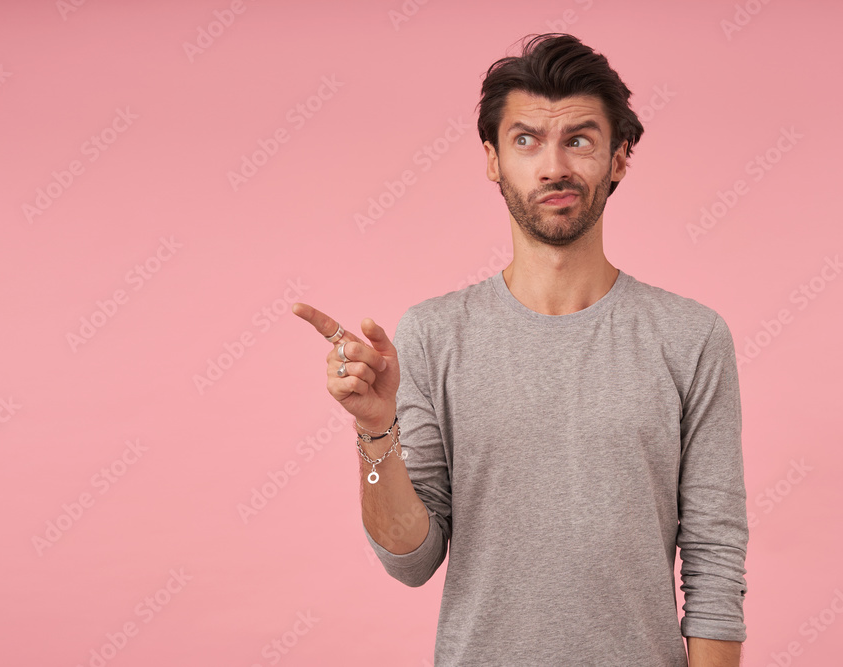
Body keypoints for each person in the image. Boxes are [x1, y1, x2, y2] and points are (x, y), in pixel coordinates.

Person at [292, 32, 748, 667]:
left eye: (579, 139)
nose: (554, 166)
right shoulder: (432, 335)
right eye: (526, 139)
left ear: (619, 159)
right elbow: (410, 559)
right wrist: (376, 429)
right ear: (492, 159)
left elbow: (715, 558)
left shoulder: (691, 337)